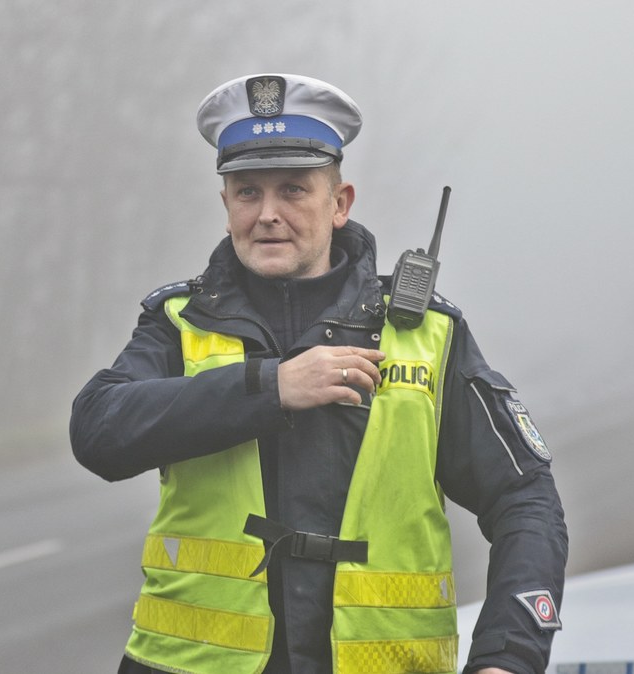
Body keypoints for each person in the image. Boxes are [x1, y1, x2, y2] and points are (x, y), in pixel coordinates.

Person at [70, 73, 567, 674]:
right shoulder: (179, 322)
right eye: (247, 192)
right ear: (225, 203)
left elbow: (526, 500)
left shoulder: (430, 334)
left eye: (293, 190)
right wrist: (271, 387)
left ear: (339, 203)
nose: (268, 214)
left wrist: (508, 656)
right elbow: (97, 431)